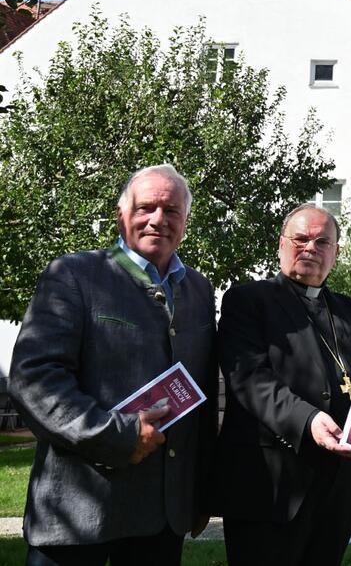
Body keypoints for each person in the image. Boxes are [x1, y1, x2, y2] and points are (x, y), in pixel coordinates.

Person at [9, 164, 217, 566]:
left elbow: (201, 394)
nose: (158, 219)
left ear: (186, 221)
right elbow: (34, 380)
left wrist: (200, 491)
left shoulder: (198, 289)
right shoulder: (74, 275)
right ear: (121, 216)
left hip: (162, 517)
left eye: (172, 210)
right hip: (79, 515)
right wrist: (118, 436)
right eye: (146, 208)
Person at [215, 204, 351, 566]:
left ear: (336, 253)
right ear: (281, 245)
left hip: (340, 484)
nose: (310, 248)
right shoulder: (248, 301)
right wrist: (308, 419)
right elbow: (249, 378)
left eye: (322, 241)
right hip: (272, 482)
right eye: (300, 239)